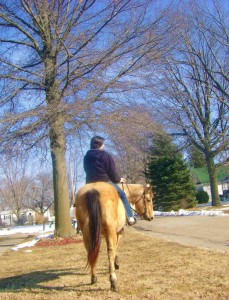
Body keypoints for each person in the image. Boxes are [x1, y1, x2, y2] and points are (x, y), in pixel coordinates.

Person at [83, 136, 136, 226]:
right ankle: (130, 217)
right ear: (100, 145)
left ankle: (82, 223)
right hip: (105, 181)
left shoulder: (86, 157)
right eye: (103, 144)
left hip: (89, 183)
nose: (104, 146)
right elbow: (113, 174)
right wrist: (119, 179)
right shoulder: (106, 156)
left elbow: (86, 169)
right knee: (122, 194)